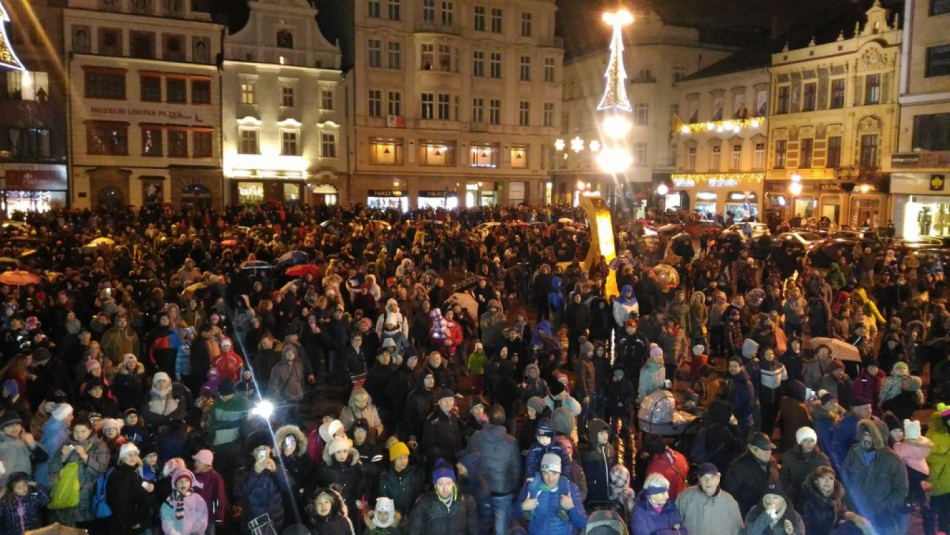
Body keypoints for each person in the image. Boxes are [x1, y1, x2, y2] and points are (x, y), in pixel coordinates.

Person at [842, 418, 908, 535]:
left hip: (882, 520)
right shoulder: (854, 452)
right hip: (856, 516)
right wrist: (849, 503)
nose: (866, 439)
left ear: (880, 437)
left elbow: (901, 490)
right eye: (865, 434)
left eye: (870, 435)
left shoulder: (893, 461)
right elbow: (845, 478)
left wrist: (882, 508)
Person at [466, 405, 521, 535]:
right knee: (501, 529)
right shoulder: (511, 442)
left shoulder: (476, 437)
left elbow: (468, 461)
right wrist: (513, 489)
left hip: (481, 489)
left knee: (481, 525)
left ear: (488, 418)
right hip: (503, 491)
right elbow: (516, 469)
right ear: (504, 420)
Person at [514, 452, 587, 535]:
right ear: (541, 472)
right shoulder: (531, 487)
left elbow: (582, 523)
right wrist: (522, 507)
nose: (550, 478)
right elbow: (512, 514)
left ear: (560, 472)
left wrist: (571, 508)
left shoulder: (570, 489)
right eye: (546, 473)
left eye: (554, 473)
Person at [407, 460, 480, 535]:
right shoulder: (423, 504)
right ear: (435, 485)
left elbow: (474, 528)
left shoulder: (467, 501)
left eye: (448, 484)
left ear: (453, 483)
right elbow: (414, 530)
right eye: (441, 484)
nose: (445, 489)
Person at [722, 432, 781, 518]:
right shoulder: (738, 467)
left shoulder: (772, 463)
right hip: (748, 515)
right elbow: (730, 494)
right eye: (765, 449)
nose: (769, 452)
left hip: (769, 511)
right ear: (753, 449)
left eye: (770, 449)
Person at [799, 466, 869, 535]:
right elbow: (807, 528)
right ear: (816, 481)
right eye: (823, 478)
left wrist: (855, 519)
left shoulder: (837, 498)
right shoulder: (808, 501)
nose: (827, 481)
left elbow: (842, 512)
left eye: (831, 479)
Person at [676, 463, 743, 535]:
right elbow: (674, 523)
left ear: (718, 478)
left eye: (712, 477)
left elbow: (737, 531)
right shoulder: (686, 497)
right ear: (699, 479)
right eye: (704, 478)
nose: (708, 482)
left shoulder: (730, 503)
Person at [106, 442, 156, 535]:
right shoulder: (122, 475)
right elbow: (121, 501)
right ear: (122, 457)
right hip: (127, 523)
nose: (133, 458)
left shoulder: (132, 471)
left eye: (135, 454)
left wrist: (149, 486)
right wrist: (133, 521)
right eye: (129, 455)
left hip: (130, 520)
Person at [778, 427, 830, 507]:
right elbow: (784, 478)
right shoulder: (789, 457)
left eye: (812, 440)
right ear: (800, 441)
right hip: (795, 497)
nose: (809, 444)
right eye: (805, 440)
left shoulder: (822, 458)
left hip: (816, 497)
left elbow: (829, 477)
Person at [378, 441, 424, 515]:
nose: (403, 461)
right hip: (393, 515)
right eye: (399, 458)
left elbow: (419, 495)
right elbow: (383, 497)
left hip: (411, 514)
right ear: (393, 459)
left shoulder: (414, 473)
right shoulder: (385, 476)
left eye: (405, 457)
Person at [160, 468, 209, 535]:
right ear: (175, 484)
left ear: (190, 483)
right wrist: (172, 532)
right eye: (180, 481)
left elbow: (202, 515)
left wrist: (196, 531)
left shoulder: (197, 499)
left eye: (186, 481)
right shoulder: (170, 500)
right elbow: (166, 519)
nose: (183, 484)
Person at [191, 449, 226, 535]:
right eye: (195, 461)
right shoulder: (193, 476)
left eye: (198, 462)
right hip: (194, 515)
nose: (195, 464)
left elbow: (220, 498)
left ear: (206, 463)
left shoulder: (216, 478)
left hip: (209, 516)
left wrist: (219, 516)